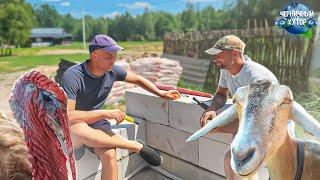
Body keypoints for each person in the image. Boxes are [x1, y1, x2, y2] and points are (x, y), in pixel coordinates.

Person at [61, 34, 178, 180]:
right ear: (94, 55)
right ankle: (135, 146)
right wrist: (105, 113)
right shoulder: (73, 76)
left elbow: (137, 79)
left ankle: (127, 145)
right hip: (74, 125)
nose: (113, 59)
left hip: (96, 123)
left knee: (110, 155)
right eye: (109, 56)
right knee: (78, 128)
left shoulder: (112, 71)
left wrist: (160, 92)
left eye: (115, 55)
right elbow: (68, 115)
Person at [199, 34, 295, 180]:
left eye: (219, 54)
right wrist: (212, 109)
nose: (215, 58)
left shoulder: (257, 79)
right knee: (234, 162)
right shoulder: (226, 70)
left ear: (234, 53)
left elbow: (257, 123)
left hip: (276, 133)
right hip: (254, 126)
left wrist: (216, 127)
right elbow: (220, 94)